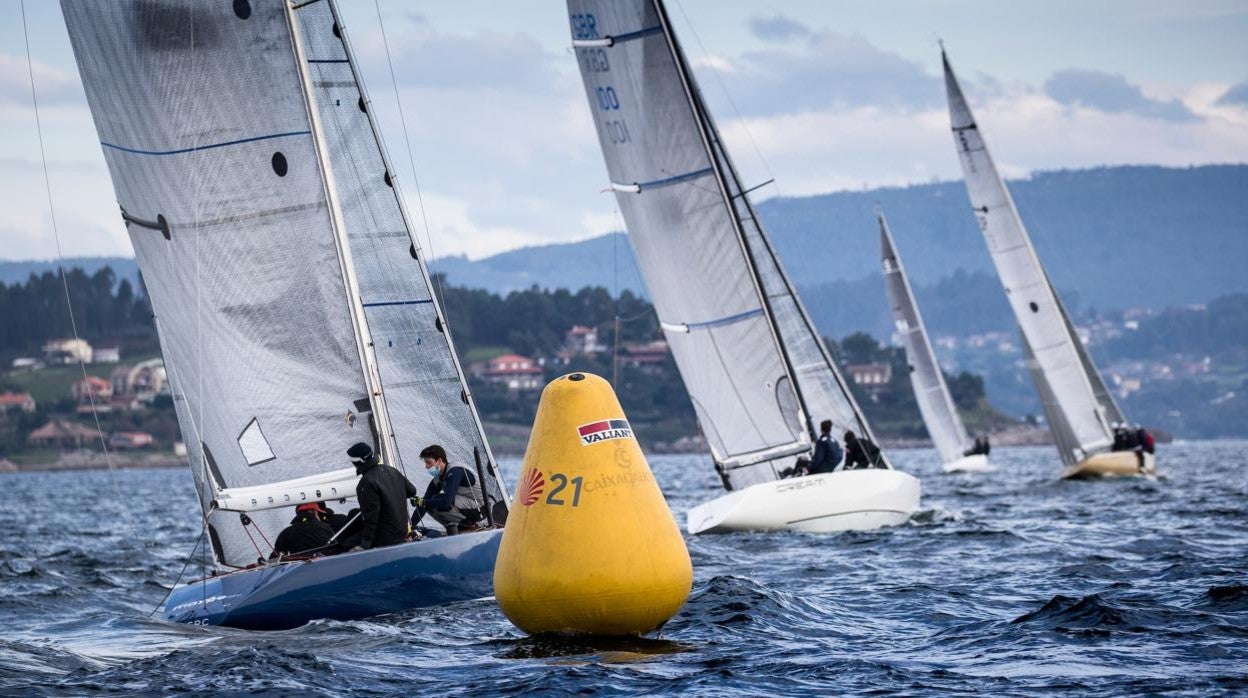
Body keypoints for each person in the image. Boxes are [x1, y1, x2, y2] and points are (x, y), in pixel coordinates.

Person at [347, 441, 417, 550]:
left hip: (385, 540)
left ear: (357, 463)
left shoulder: (366, 483)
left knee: (345, 544)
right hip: (402, 533)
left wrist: (365, 545)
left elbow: (371, 517)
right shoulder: (392, 470)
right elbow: (412, 491)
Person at [411, 444, 485, 535]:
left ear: (439, 461)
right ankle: (458, 528)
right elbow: (424, 503)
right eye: (425, 463)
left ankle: (469, 525)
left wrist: (422, 502)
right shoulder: (438, 478)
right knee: (429, 502)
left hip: (482, 508)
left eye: (429, 462)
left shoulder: (455, 472)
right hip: (468, 505)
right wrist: (410, 526)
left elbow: (446, 502)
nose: (426, 467)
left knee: (436, 501)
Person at [270, 502, 334, 559]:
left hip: (302, 570)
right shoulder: (326, 527)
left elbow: (274, 558)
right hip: (328, 565)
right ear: (313, 512)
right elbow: (335, 547)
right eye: (318, 513)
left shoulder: (285, 533)